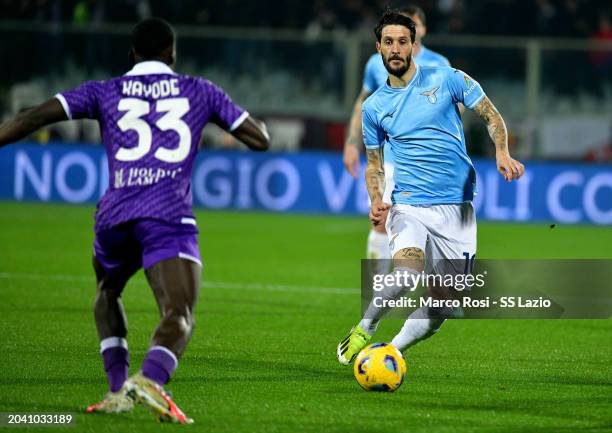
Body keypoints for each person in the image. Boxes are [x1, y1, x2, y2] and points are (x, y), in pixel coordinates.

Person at [0, 18, 269, 423]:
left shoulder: (104, 90)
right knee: (178, 314)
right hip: (166, 213)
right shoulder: (199, 90)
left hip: (113, 215)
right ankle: (152, 378)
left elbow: (32, 116)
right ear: (172, 54)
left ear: (131, 55)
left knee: (107, 291)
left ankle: (117, 390)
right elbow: (259, 139)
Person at [337, 10, 524, 365]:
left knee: (445, 305)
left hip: (458, 209)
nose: (395, 49)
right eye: (388, 42)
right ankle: (365, 327)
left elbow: (490, 114)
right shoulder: (374, 107)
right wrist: (377, 198)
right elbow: (375, 164)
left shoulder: (448, 79)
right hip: (409, 205)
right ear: (378, 47)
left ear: (413, 45)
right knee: (407, 275)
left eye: (402, 42)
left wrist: (502, 152)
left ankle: (392, 352)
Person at [343, 5, 450, 272]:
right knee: (380, 220)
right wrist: (351, 142)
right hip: (388, 159)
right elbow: (362, 103)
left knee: (433, 228)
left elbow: (454, 110)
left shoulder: (440, 65)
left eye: (412, 25)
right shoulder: (376, 62)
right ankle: (375, 290)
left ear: (420, 30)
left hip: (428, 164)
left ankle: (438, 291)